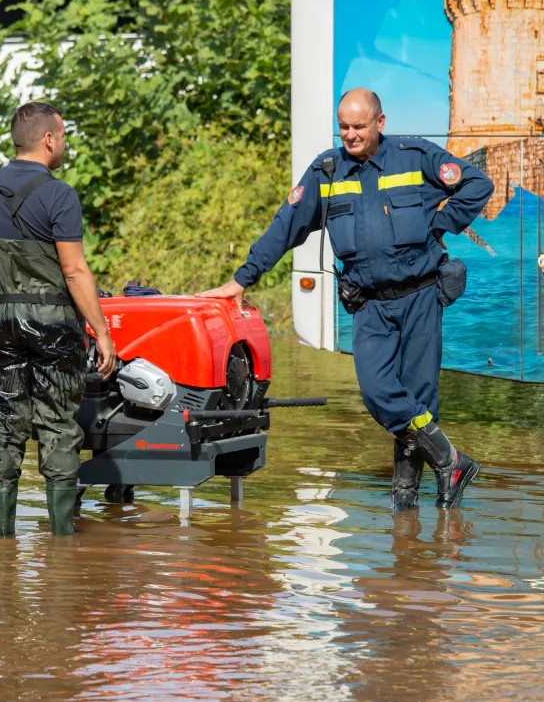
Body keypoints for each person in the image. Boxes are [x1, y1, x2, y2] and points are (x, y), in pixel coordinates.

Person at [201, 89, 494, 510]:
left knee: (419, 399)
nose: (350, 135)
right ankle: (451, 461)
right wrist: (241, 279)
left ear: (380, 122)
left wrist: (439, 225)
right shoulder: (327, 170)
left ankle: (406, 509)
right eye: (344, 127)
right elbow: (286, 227)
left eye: (359, 126)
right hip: (370, 304)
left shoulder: (416, 156)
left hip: (420, 297)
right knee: (378, 393)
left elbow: (478, 184)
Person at [0, 101, 116, 538]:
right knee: (58, 425)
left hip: (3, 323)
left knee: (6, 422)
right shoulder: (60, 194)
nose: (63, 144)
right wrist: (102, 333)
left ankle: (4, 540)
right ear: (49, 139)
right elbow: (74, 271)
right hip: (53, 324)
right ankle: (62, 542)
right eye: (62, 136)